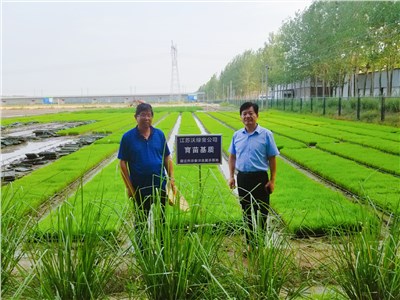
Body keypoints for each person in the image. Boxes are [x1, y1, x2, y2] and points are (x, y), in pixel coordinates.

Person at [228, 102, 279, 248]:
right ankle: (250, 244)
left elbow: (272, 158)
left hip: (260, 178)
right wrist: (231, 176)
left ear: (257, 115)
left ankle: (261, 244)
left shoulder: (266, 134)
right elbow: (232, 156)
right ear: (241, 117)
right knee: (247, 212)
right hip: (243, 178)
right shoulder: (237, 135)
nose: (248, 116)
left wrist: (272, 180)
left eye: (251, 113)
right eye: (244, 114)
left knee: (262, 212)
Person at [118, 103, 176, 216]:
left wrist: (171, 179)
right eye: (143, 115)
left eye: (149, 115)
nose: (146, 118)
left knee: (161, 219)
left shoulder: (159, 135)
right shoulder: (127, 137)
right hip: (139, 188)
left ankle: (160, 234)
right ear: (136, 117)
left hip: (160, 186)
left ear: (152, 117)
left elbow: (167, 157)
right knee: (141, 221)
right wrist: (129, 187)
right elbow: (123, 163)